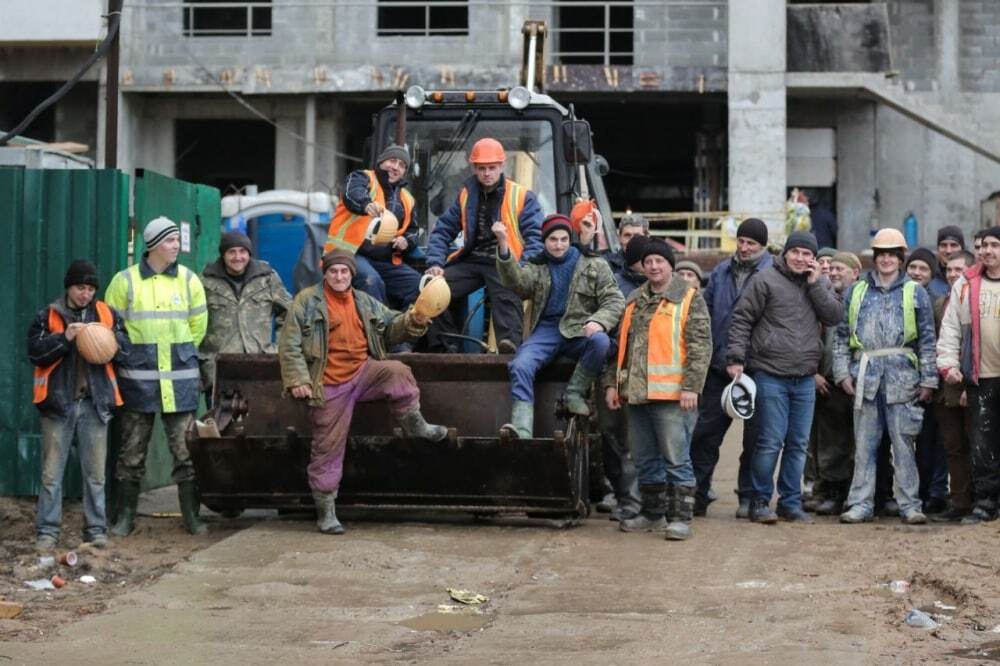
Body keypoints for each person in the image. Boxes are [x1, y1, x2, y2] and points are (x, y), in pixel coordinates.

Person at [278, 249, 448, 535]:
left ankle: (416, 426)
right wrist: (297, 378)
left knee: (398, 372)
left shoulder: (363, 301)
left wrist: (414, 319)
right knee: (327, 448)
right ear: (325, 273)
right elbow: (289, 343)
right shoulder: (306, 302)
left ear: (352, 274)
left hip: (362, 372)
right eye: (334, 271)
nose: (340, 276)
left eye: (345, 272)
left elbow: (391, 327)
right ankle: (326, 510)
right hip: (328, 382)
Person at [727, 230, 842, 524]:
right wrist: (736, 358)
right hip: (770, 373)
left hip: (804, 377)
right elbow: (742, 319)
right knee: (769, 441)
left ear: (814, 260)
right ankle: (759, 501)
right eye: (796, 252)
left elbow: (833, 317)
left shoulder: (819, 283)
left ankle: (790, 503)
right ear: (785, 253)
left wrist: (816, 285)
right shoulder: (765, 279)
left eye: (807, 254)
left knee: (798, 443)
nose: (801, 258)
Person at [104, 217, 209, 537]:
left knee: (186, 451)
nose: (176, 245)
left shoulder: (189, 280)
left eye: (177, 240)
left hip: (180, 383)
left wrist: (180, 356)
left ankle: (191, 517)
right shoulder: (125, 282)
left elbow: (198, 328)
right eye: (169, 240)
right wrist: (131, 358)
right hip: (138, 383)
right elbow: (111, 328)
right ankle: (125, 518)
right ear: (152, 245)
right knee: (131, 453)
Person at [606, 239, 711, 540]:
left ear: (670, 265)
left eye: (659, 261)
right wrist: (614, 385)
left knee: (676, 458)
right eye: (648, 261)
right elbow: (622, 350)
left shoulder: (688, 298)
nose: (653, 266)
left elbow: (700, 346)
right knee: (645, 457)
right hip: (637, 394)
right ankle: (652, 513)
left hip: (672, 396)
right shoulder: (635, 299)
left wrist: (691, 387)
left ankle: (679, 519)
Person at [834, 228, 938, 525]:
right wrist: (842, 373)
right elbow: (841, 336)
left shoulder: (915, 292)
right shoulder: (857, 291)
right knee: (864, 445)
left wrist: (929, 379)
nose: (887, 260)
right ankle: (860, 503)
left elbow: (927, 340)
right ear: (875, 258)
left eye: (893, 255)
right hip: (865, 378)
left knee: (904, 445)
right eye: (882, 255)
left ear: (900, 258)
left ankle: (910, 505)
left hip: (902, 380)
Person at [27, 260, 129, 551]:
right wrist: (65, 339)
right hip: (58, 404)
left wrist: (106, 343)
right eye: (79, 287)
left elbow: (126, 348)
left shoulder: (107, 315)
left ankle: (95, 530)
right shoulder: (48, 315)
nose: (85, 293)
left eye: (90, 288)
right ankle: (47, 532)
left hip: (95, 404)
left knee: (95, 474)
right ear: (68, 287)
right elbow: (35, 352)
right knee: (51, 474)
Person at [494, 214, 624, 437]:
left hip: (580, 329)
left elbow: (614, 300)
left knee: (601, 342)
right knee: (521, 365)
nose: (559, 244)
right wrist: (504, 245)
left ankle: (574, 393)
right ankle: (522, 431)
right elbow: (517, 284)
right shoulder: (537, 266)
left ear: (569, 239)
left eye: (564, 239)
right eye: (553, 239)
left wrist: (598, 321)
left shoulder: (594, 264)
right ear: (544, 241)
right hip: (547, 330)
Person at [424, 138, 543, 352]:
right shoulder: (465, 195)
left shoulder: (522, 196)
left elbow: (536, 238)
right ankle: (446, 347)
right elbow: (442, 231)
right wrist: (435, 262)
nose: (487, 173)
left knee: (508, 292)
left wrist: (522, 268)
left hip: (503, 262)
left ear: (501, 166)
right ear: (474, 168)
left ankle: (509, 350)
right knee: (432, 290)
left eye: (491, 167)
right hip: (472, 261)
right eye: (482, 168)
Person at [689, 217, 773, 518]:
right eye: (741, 241)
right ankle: (696, 494)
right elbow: (707, 311)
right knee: (705, 434)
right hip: (719, 366)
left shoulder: (773, 273)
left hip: (758, 368)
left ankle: (748, 498)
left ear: (763, 246)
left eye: (751, 243)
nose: (744, 247)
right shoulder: (722, 271)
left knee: (755, 438)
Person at [937, 226, 1000, 524]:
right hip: (981, 376)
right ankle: (986, 503)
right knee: (982, 442)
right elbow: (950, 327)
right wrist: (949, 364)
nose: (988, 251)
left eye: (995, 245)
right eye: (984, 245)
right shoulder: (966, 283)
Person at [324, 145, 422, 309]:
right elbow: (352, 194)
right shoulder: (362, 178)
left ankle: (404, 331)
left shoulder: (408, 199)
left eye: (402, 165)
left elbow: (413, 230)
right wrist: (366, 205)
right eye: (392, 161)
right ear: (381, 161)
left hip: (385, 260)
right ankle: (377, 331)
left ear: (404, 171)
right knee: (371, 281)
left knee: (419, 286)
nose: (395, 167)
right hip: (350, 254)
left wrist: (406, 241)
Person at [199, 231, 291, 400]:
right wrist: (203, 356)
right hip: (219, 369)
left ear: (249, 253)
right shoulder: (206, 281)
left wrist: (277, 348)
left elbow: (289, 313)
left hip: (259, 365)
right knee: (220, 422)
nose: (237, 257)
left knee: (258, 421)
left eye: (242, 251)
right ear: (223, 255)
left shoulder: (267, 278)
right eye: (231, 252)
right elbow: (193, 320)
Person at [805, 251, 861, 515]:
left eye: (841, 268)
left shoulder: (865, 299)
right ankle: (832, 492)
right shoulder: (823, 300)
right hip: (828, 382)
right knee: (830, 443)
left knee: (862, 443)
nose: (835, 272)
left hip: (860, 379)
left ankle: (862, 493)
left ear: (856, 273)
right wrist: (814, 373)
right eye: (833, 268)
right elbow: (810, 339)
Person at [931, 250, 977, 522]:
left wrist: (965, 387)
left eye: (959, 269)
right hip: (944, 388)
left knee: (979, 444)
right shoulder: (939, 303)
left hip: (972, 385)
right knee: (953, 446)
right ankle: (959, 501)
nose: (952, 274)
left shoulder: (977, 302)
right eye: (948, 270)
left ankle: (983, 500)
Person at [905, 247, 949, 513]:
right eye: (913, 267)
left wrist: (928, 380)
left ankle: (932, 492)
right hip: (899, 378)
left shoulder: (934, 300)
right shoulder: (897, 295)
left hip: (926, 381)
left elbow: (930, 343)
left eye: (923, 269)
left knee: (931, 440)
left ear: (931, 275)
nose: (917, 273)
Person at [928, 226, 965, 299]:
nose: (948, 250)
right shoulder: (929, 277)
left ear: (962, 248)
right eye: (944, 245)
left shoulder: (972, 277)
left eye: (953, 245)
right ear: (938, 249)